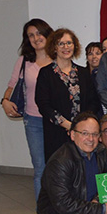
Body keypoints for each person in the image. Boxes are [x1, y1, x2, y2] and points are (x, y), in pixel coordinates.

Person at [1, 19, 54, 214]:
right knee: (40, 168)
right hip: (33, 121)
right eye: (31, 35)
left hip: (57, 121)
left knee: (59, 167)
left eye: (39, 33)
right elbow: (12, 85)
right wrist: (5, 100)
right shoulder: (24, 61)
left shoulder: (58, 57)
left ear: (47, 34)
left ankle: (61, 213)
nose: (36, 38)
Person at [35, 28, 100, 161]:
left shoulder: (83, 73)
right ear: (54, 48)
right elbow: (43, 104)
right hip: (56, 133)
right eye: (61, 43)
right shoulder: (46, 73)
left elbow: (93, 101)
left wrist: (82, 125)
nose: (66, 47)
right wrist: (67, 125)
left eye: (69, 43)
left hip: (83, 134)